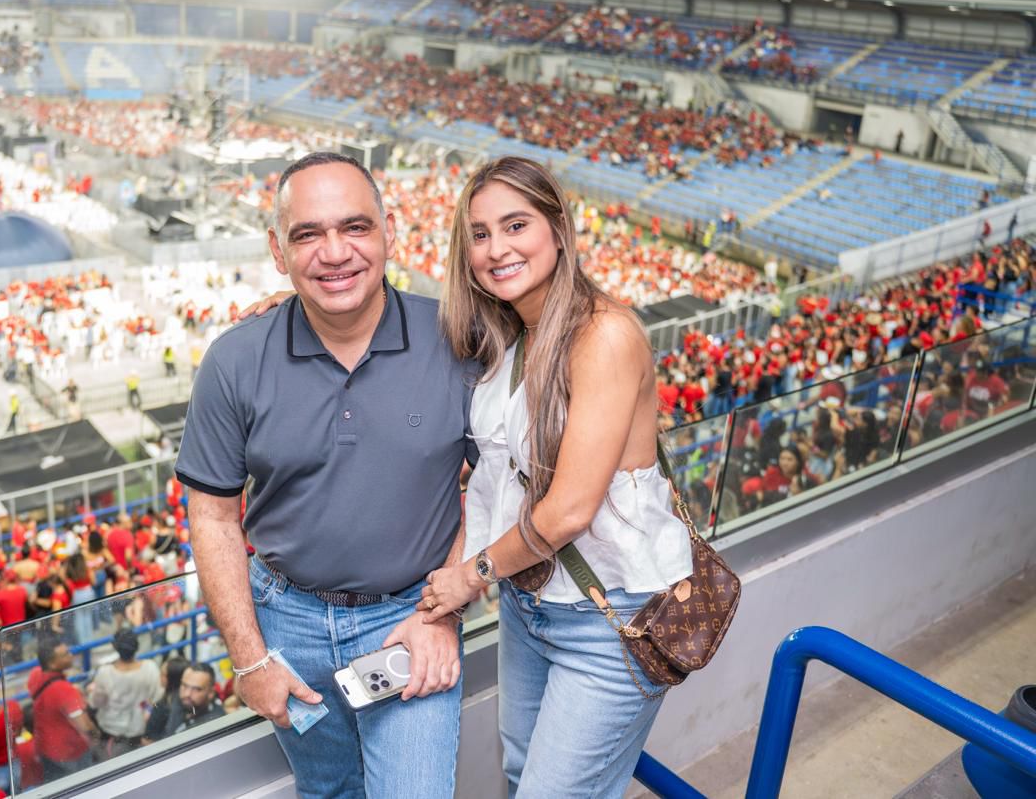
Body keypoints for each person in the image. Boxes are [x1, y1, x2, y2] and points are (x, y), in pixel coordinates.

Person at [178, 152, 473, 797]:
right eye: (307, 234)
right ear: (278, 252)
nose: (334, 252)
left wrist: (443, 608)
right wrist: (250, 657)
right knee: (329, 792)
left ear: (389, 230)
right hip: (288, 626)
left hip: (408, 618)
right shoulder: (234, 360)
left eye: (355, 227)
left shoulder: (457, 341)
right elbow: (212, 514)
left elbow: (493, 483)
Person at [418, 157, 693, 796]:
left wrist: (472, 574)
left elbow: (570, 508)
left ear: (560, 229)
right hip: (529, 604)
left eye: (516, 225)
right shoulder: (511, 332)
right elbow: (492, 474)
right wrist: (293, 307)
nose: (496, 248)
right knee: (522, 777)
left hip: (610, 618)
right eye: (480, 234)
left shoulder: (605, 336)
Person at [27, 638, 95, 779]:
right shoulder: (65, 690)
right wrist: (98, 735)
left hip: (45, 747)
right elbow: (85, 726)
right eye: (65, 655)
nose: (71, 655)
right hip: (70, 753)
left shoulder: (35, 675)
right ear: (52, 663)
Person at [88, 629, 162, 758]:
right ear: (136, 646)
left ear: (115, 647)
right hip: (139, 732)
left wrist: (91, 693)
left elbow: (96, 702)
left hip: (111, 734)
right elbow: (156, 697)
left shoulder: (105, 672)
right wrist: (144, 708)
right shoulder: (150, 667)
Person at [178, 662, 223, 730]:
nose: (187, 694)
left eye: (197, 689)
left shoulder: (213, 725)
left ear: (211, 693)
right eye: (184, 685)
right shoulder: (178, 703)